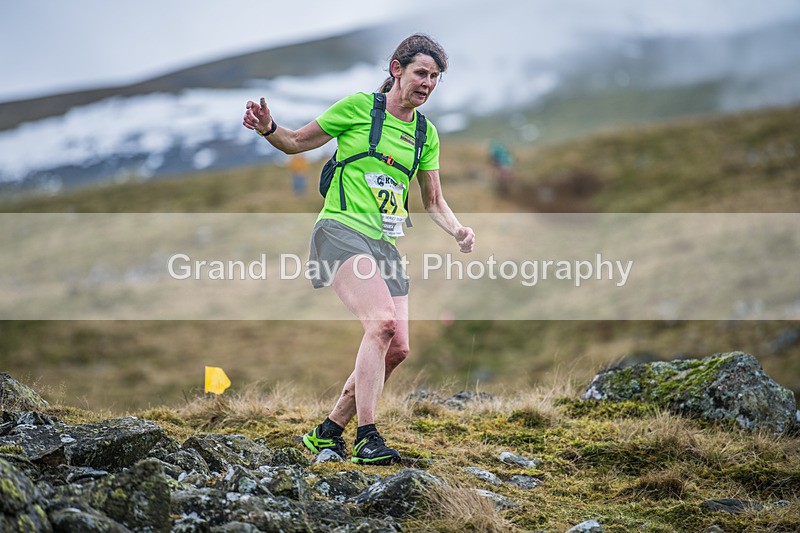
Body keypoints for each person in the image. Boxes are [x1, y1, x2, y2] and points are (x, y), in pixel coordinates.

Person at [242, 34, 475, 465]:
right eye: (421, 73)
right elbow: (296, 142)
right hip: (340, 232)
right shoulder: (357, 109)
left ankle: (328, 432)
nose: (427, 83)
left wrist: (458, 230)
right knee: (382, 324)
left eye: (436, 78)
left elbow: (434, 200)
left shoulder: (425, 133)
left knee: (398, 347)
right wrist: (268, 128)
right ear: (396, 69)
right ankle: (367, 437)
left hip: (384, 244)